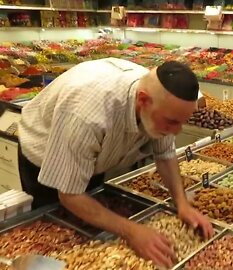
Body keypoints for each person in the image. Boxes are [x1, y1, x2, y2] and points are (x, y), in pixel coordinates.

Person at [17, 58, 214, 267]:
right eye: (172, 122)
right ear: (143, 101)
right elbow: (70, 194)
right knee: (58, 239)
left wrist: (181, 204)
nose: (176, 131)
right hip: (45, 157)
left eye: (181, 122)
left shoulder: (161, 103)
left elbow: (165, 154)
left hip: (91, 158)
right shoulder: (88, 114)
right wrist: (132, 231)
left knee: (91, 227)